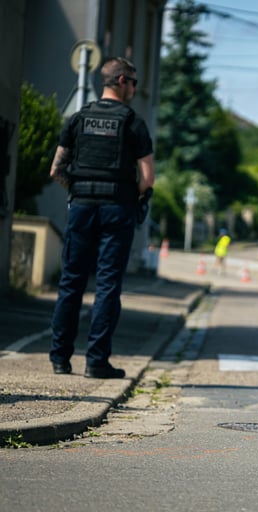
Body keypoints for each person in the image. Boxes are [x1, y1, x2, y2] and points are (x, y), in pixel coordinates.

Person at [48, 57, 155, 379]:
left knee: (71, 281)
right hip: (116, 210)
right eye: (134, 82)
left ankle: (60, 358)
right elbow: (147, 178)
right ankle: (96, 362)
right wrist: (127, 194)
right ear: (121, 81)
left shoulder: (78, 119)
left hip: (81, 207)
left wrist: (79, 190)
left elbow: (56, 169)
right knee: (108, 285)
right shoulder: (133, 123)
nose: (135, 88)